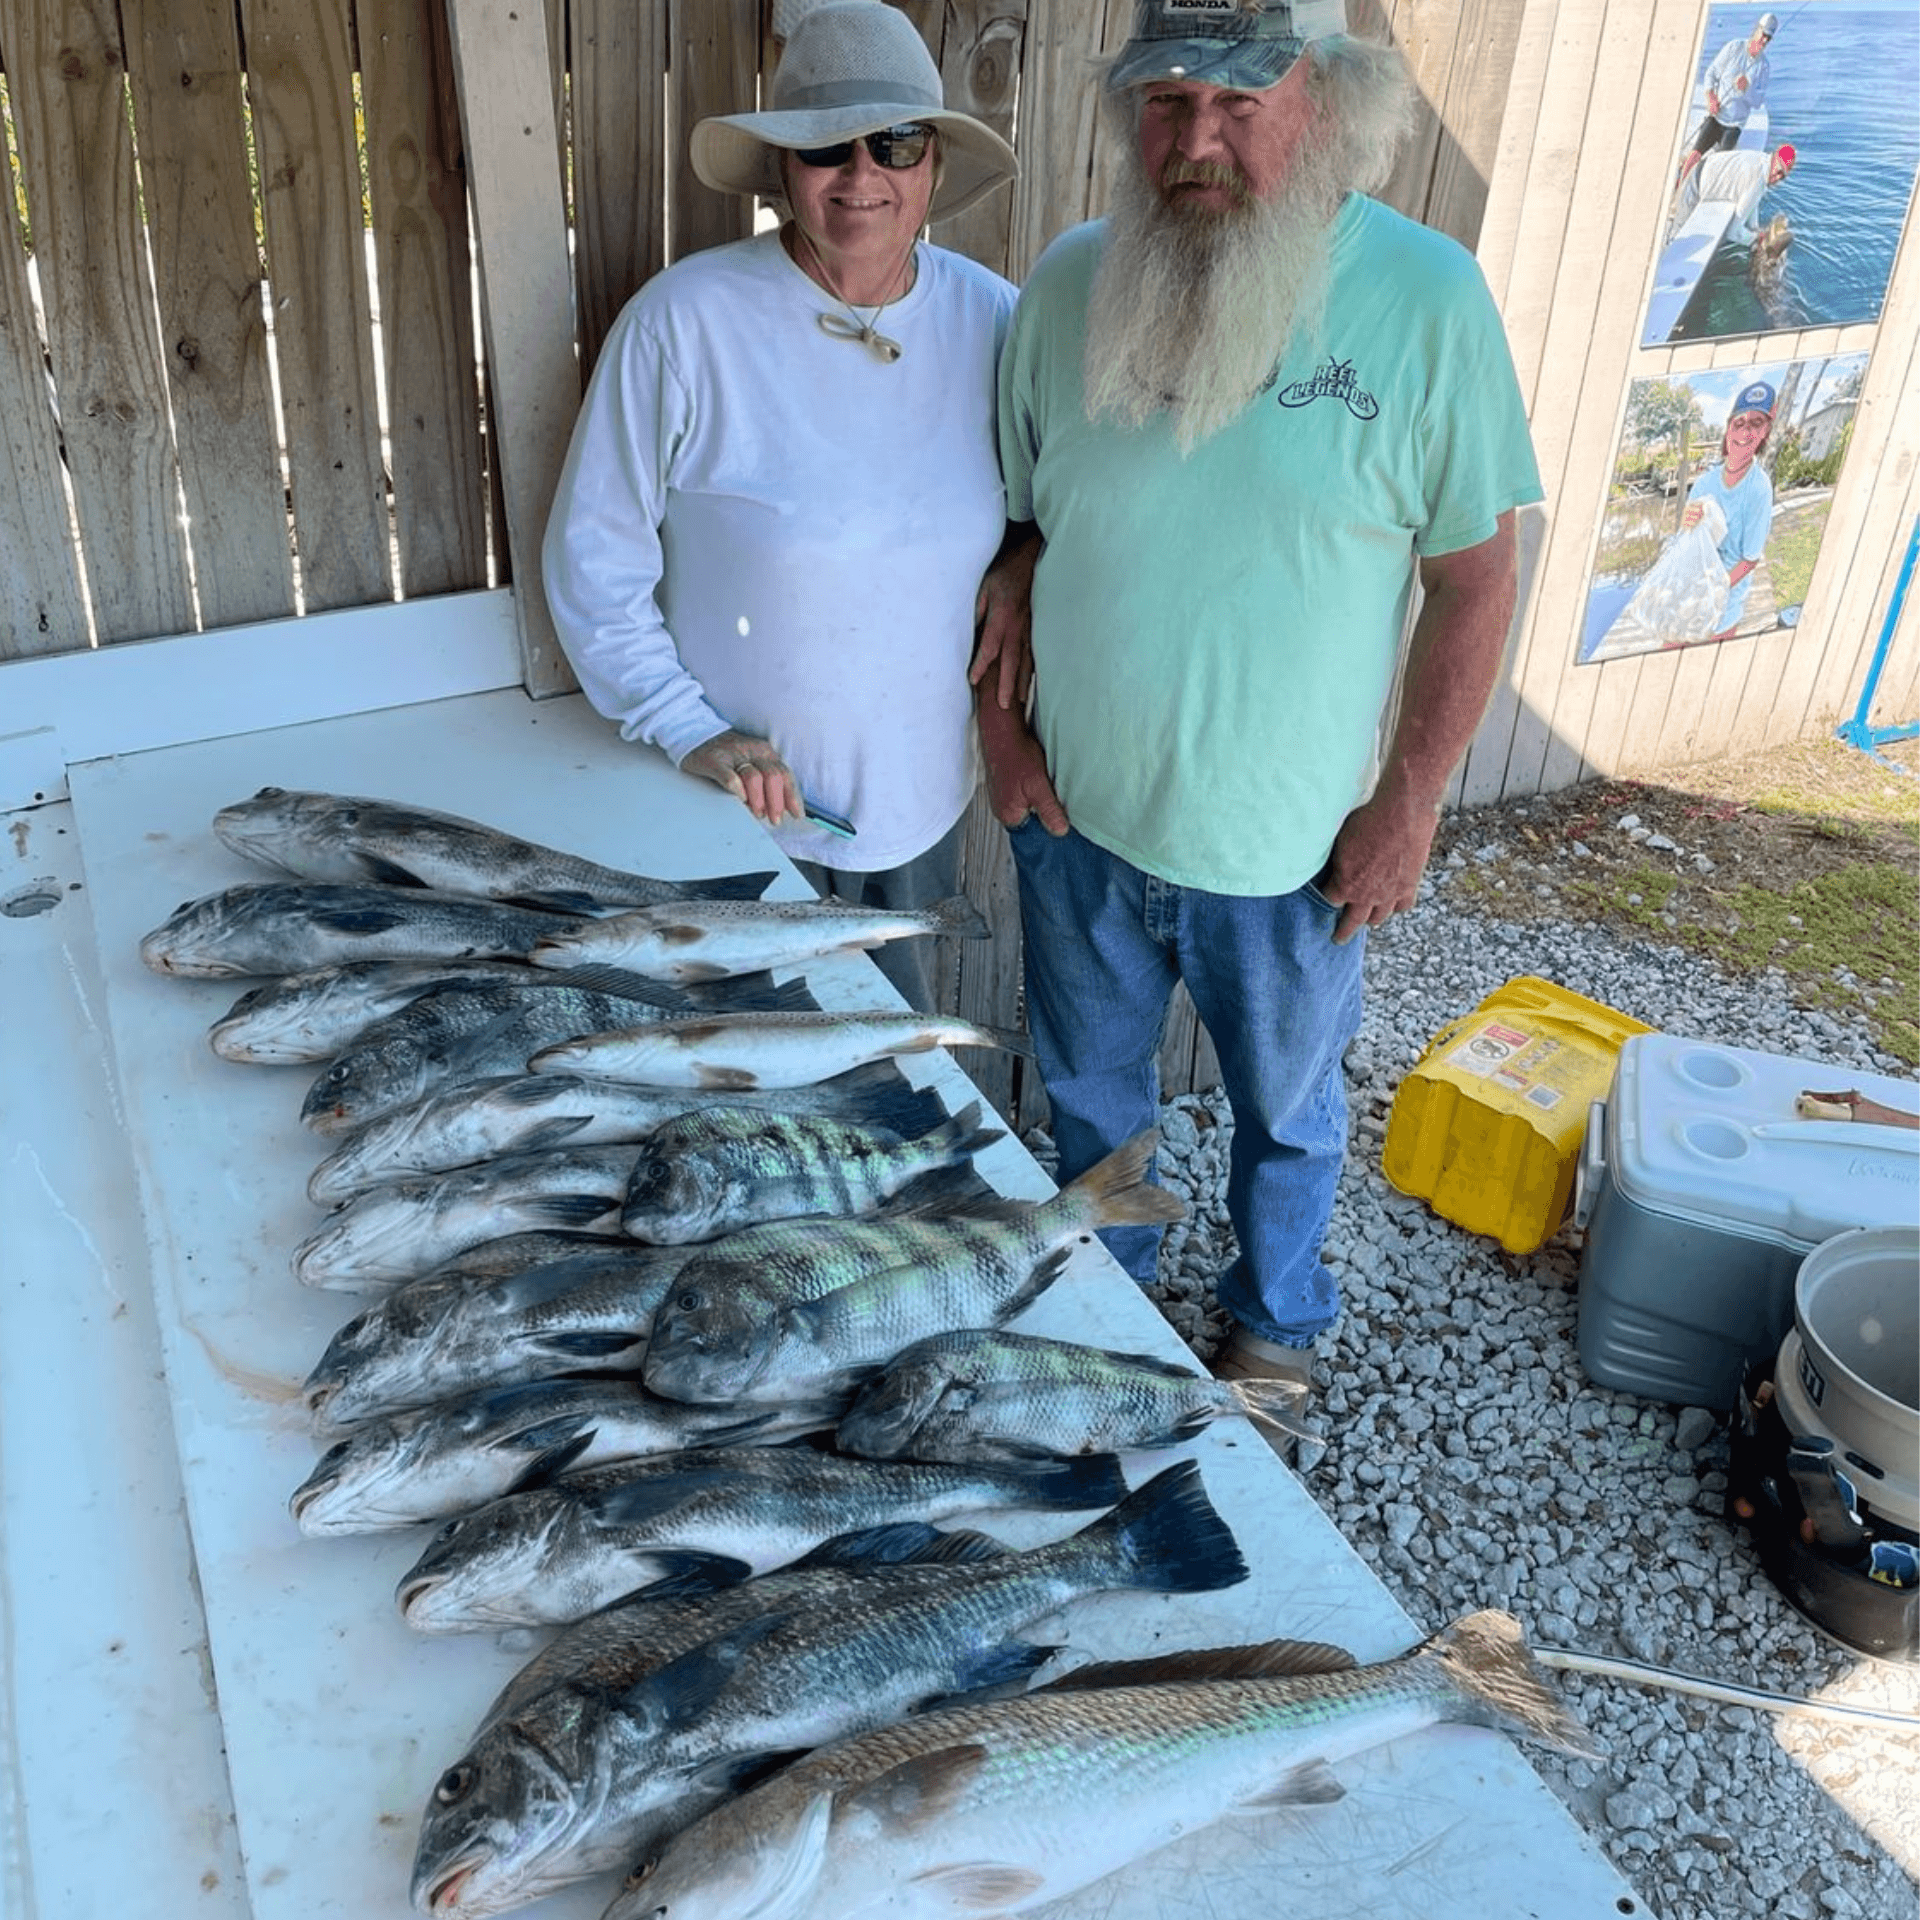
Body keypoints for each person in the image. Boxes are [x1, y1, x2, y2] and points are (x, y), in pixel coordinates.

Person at [970, 0, 1542, 1394]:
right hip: (1079, 819)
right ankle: (1108, 1318)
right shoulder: (1068, 285)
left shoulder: (1426, 301)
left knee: (1287, 1116)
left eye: (1240, 101)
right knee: (1096, 1099)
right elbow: (1013, 528)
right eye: (1164, 102)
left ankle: (1274, 1328)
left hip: (1290, 855)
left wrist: (1410, 809)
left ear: (1327, 102)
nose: (1197, 140)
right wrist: (1002, 736)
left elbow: (1475, 580)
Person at [542, 0, 1016, 1010]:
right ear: (781, 171)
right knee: (737, 1089)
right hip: (730, 811)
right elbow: (595, 558)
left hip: (920, 802)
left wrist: (1023, 564)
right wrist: (683, 725)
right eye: (824, 150)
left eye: (894, 143)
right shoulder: (683, 324)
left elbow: (1054, 508)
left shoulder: (995, 319)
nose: (862, 176)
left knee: (891, 1077)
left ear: (933, 163)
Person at [1681, 380, 1778, 641]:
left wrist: (1715, 590)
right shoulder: (1704, 482)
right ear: (1728, 430)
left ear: (1765, 432)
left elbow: (1749, 560)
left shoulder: (1759, 488)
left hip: (1725, 597)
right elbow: (1688, 539)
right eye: (1739, 423)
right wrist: (1688, 523)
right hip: (1694, 588)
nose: (1745, 432)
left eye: (1756, 424)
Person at [1677, 13, 1778, 195]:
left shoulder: (1763, 67)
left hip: (1734, 125)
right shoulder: (1733, 47)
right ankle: (1678, 189)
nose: (1764, 40)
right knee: (1694, 154)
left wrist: (1747, 88)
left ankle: (1701, 196)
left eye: (1768, 38)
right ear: (1756, 29)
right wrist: (1711, 98)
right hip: (1716, 116)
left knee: (1718, 165)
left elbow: (1757, 102)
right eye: (1763, 34)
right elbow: (1711, 74)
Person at [1670, 141, 1795, 239]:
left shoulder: (1761, 160)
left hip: (1700, 171)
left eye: (1782, 176)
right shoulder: (1758, 180)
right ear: (1774, 159)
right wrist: (1756, 238)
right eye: (1778, 170)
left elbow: (1752, 202)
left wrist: (1755, 229)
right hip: (1693, 186)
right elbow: (1732, 232)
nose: (1777, 177)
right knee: (1676, 234)